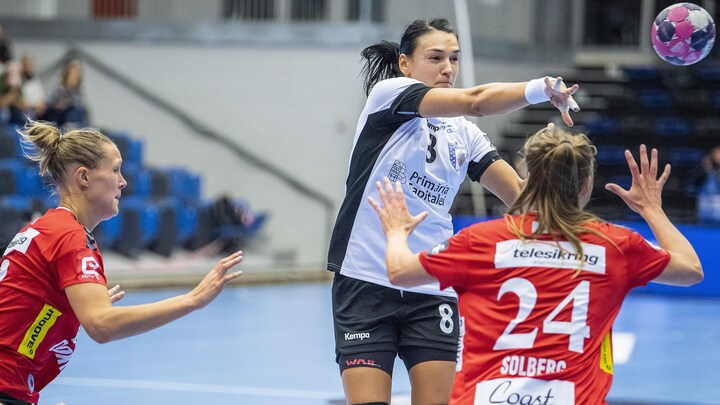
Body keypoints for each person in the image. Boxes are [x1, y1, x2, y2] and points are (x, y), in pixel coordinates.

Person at [327, 18, 579, 405]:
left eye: (454, 58)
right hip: (366, 280)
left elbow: (520, 198)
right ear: (405, 63)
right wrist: (538, 89)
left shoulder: (465, 134)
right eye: (436, 58)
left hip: (432, 287)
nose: (447, 68)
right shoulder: (388, 96)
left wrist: (550, 168)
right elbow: (476, 101)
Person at [368, 123, 703, 405]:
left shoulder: (480, 241)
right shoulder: (615, 245)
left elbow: (399, 271)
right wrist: (651, 210)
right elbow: (690, 269)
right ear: (586, 186)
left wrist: (396, 232)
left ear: (527, 181)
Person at [0, 120, 243, 405]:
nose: (123, 181)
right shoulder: (69, 237)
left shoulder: (45, 228)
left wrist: (72, 307)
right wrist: (193, 300)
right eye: (115, 169)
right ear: (84, 177)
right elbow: (102, 325)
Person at [43, 59, 87, 128]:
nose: (73, 76)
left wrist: (66, 102)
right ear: (67, 74)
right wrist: (57, 104)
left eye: (75, 74)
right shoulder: (59, 86)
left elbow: (78, 103)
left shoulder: (80, 89)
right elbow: (49, 100)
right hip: (57, 112)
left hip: (71, 112)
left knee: (79, 111)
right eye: (71, 73)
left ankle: (73, 126)